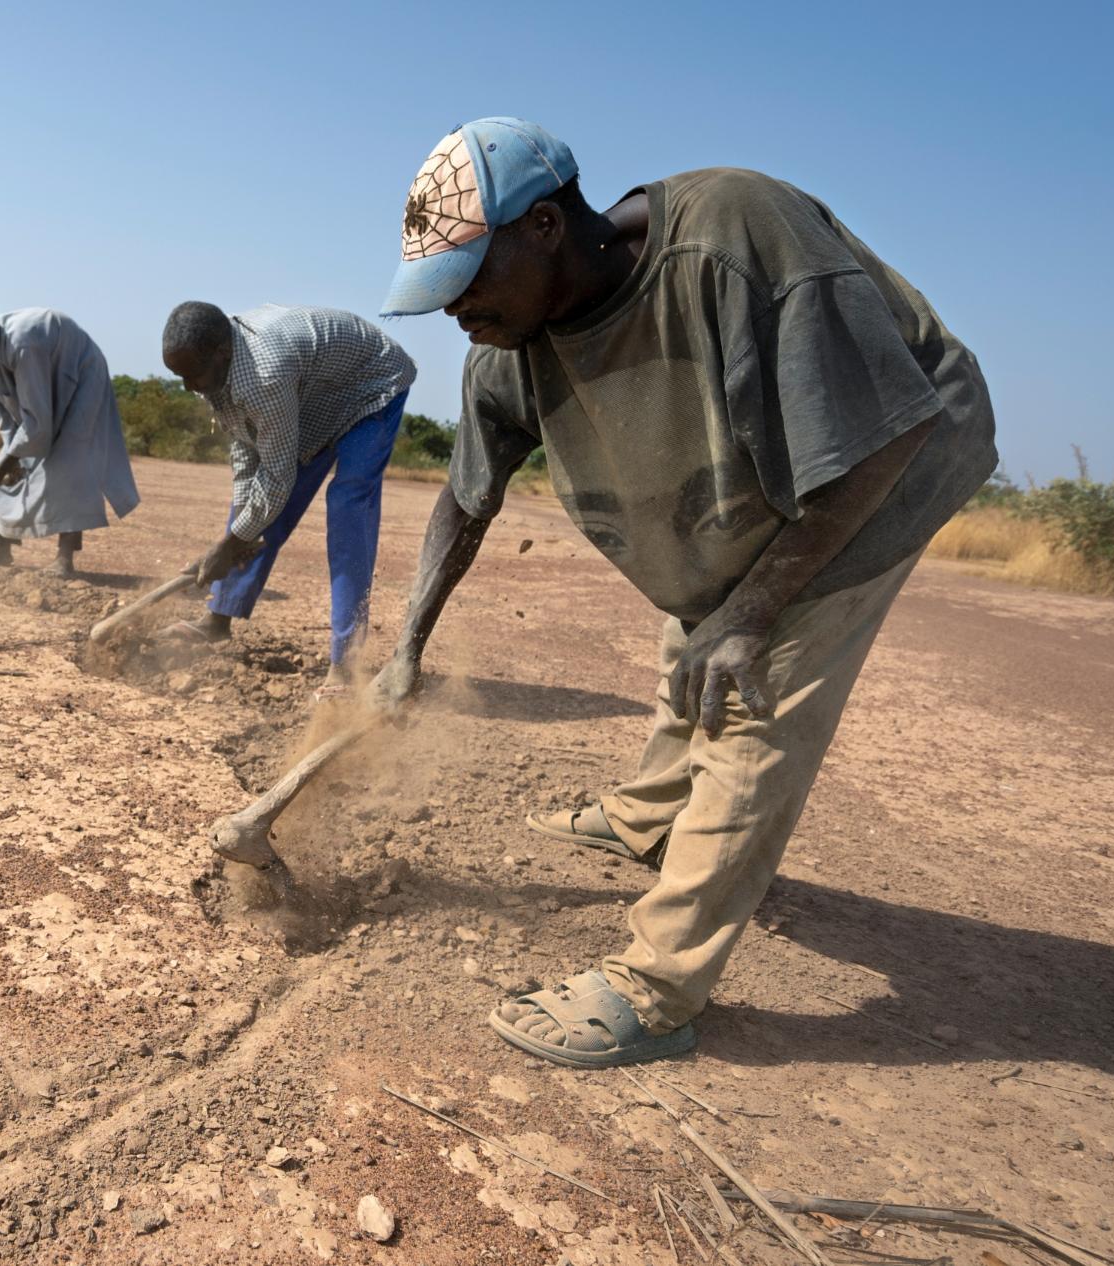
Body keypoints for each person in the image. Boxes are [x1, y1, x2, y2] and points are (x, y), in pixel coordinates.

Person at [372, 117, 996, 1068]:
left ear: (543, 226)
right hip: (761, 479)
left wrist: (751, 611)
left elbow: (877, 435)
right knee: (696, 623)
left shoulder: (733, 235)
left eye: (465, 282)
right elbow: (464, 502)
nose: (455, 310)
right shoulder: (505, 346)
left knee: (751, 686)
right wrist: (408, 645)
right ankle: (648, 814)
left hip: (881, 466)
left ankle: (657, 989)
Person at [159, 303, 415, 688]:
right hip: (314, 393)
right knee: (255, 512)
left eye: (191, 375)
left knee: (348, 506)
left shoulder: (264, 375)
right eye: (179, 376)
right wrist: (234, 539)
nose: (188, 387)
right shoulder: (211, 367)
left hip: (371, 385)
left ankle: (345, 665)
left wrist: (230, 543)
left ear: (222, 353)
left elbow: (277, 478)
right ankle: (217, 621)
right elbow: (248, 454)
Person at [0, 305, 140, 578]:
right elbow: (6, 417)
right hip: (43, 375)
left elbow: (37, 423)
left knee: (69, 461)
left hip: (80, 374)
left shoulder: (25, 345)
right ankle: (0, 548)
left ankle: (64, 559)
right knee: (7, 463)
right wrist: (6, 464)